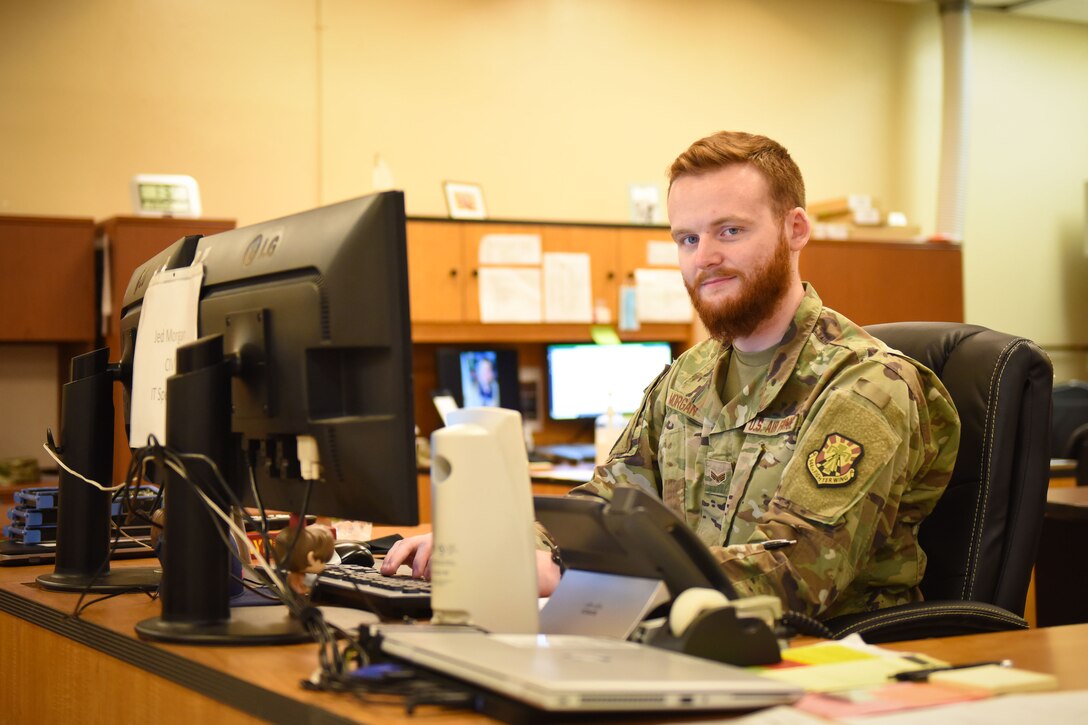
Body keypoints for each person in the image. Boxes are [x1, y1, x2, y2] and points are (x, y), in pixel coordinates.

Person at [383, 130, 960, 620]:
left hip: (824, 667)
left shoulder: (867, 386)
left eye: (729, 230)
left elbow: (799, 573)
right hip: (685, 645)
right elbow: (601, 506)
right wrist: (492, 548)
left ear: (796, 230)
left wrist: (565, 570)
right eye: (687, 238)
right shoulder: (689, 376)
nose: (703, 255)